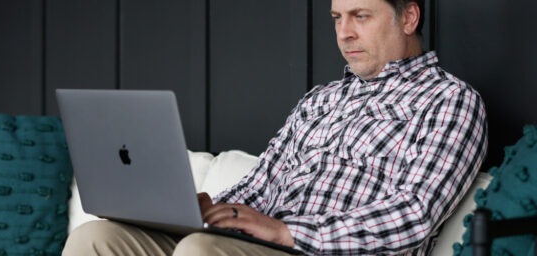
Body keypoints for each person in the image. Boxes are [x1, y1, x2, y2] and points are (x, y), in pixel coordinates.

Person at [64, 0, 487, 254]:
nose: (345, 33)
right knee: (97, 239)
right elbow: (258, 188)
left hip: (321, 249)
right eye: (336, 17)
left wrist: (287, 232)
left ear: (409, 16)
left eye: (360, 16)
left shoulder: (449, 100)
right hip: (255, 247)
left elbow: (414, 215)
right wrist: (194, 210)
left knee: (199, 251)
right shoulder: (320, 100)